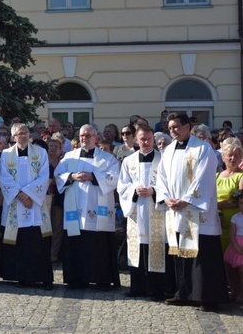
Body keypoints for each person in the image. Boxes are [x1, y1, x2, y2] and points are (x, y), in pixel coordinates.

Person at [156, 113, 228, 312]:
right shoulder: (168, 150)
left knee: (203, 256)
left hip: (197, 212)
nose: (172, 131)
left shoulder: (203, 148)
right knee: (180, 253)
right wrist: (166, 198)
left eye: (176, 127)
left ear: (188, 126)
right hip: (176, 210)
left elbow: (204, 177)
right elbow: (160, 178)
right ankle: (183, 292)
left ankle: (208, 297)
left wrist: (187, 200)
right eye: (170, 128)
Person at [55, 124, 121, 289]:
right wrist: (71, 176)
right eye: (82, 135)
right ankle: (76, 278)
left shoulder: (107, 159)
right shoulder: (69, 157)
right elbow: (58, 175)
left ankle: (101, 279)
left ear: (96, 138)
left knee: (98, 244)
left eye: (89, 135)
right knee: (76, 243)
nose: (85, 138)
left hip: (98, 212)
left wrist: (93, 176)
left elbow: (114, 178)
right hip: (75, 211)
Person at [117, 124, 173, 299]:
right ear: (136, 139)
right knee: (137, 248)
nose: (146, 142)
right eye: (142, 139)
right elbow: (122, 185)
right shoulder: (128, 161)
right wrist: (134, 190)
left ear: (154, 139)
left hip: (157, 211)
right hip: (136, 211)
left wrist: (154, 191)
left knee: (156, 247)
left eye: (149, 139)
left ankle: (157, 289)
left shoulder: (163, 159)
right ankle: (137, 287)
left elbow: (170, 184)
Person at [0, 123, 53, 289]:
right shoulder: (6, 155)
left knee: (38, 242)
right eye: (19, 133)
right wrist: (20, 195)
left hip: (35, 205)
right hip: (16, 202)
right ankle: (22, 276)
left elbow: (45, 175)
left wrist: (29, 194)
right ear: (13, 137)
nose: (23, 136)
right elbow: (4, 177)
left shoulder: (40, 152)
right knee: (20, 242)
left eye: (25, 133)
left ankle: (44, 277)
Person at [217, 138, 243, 251]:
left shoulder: (241, 176)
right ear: (223, 157)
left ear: (241, 158)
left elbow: (238, 202)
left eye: (236, 155)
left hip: (235, 228)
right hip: (217, 224)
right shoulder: (216, 176)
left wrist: (217, 205)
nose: (233, 158)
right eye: (230, 155)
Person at [47, 133, 65, 263]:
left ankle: (53, 255)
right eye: (51, 146)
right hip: (44, 198)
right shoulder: (42, 161)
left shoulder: (64, 163)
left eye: (56, 146)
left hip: (58, 199)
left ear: (60, 149)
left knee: (57, 227)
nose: (53, 148)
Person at [223, 196, 243, 303]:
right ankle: (235, 290)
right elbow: (232, 233)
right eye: (241, 203)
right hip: (236, 245)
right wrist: (236, 246)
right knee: (232, 269)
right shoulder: (236, 217)